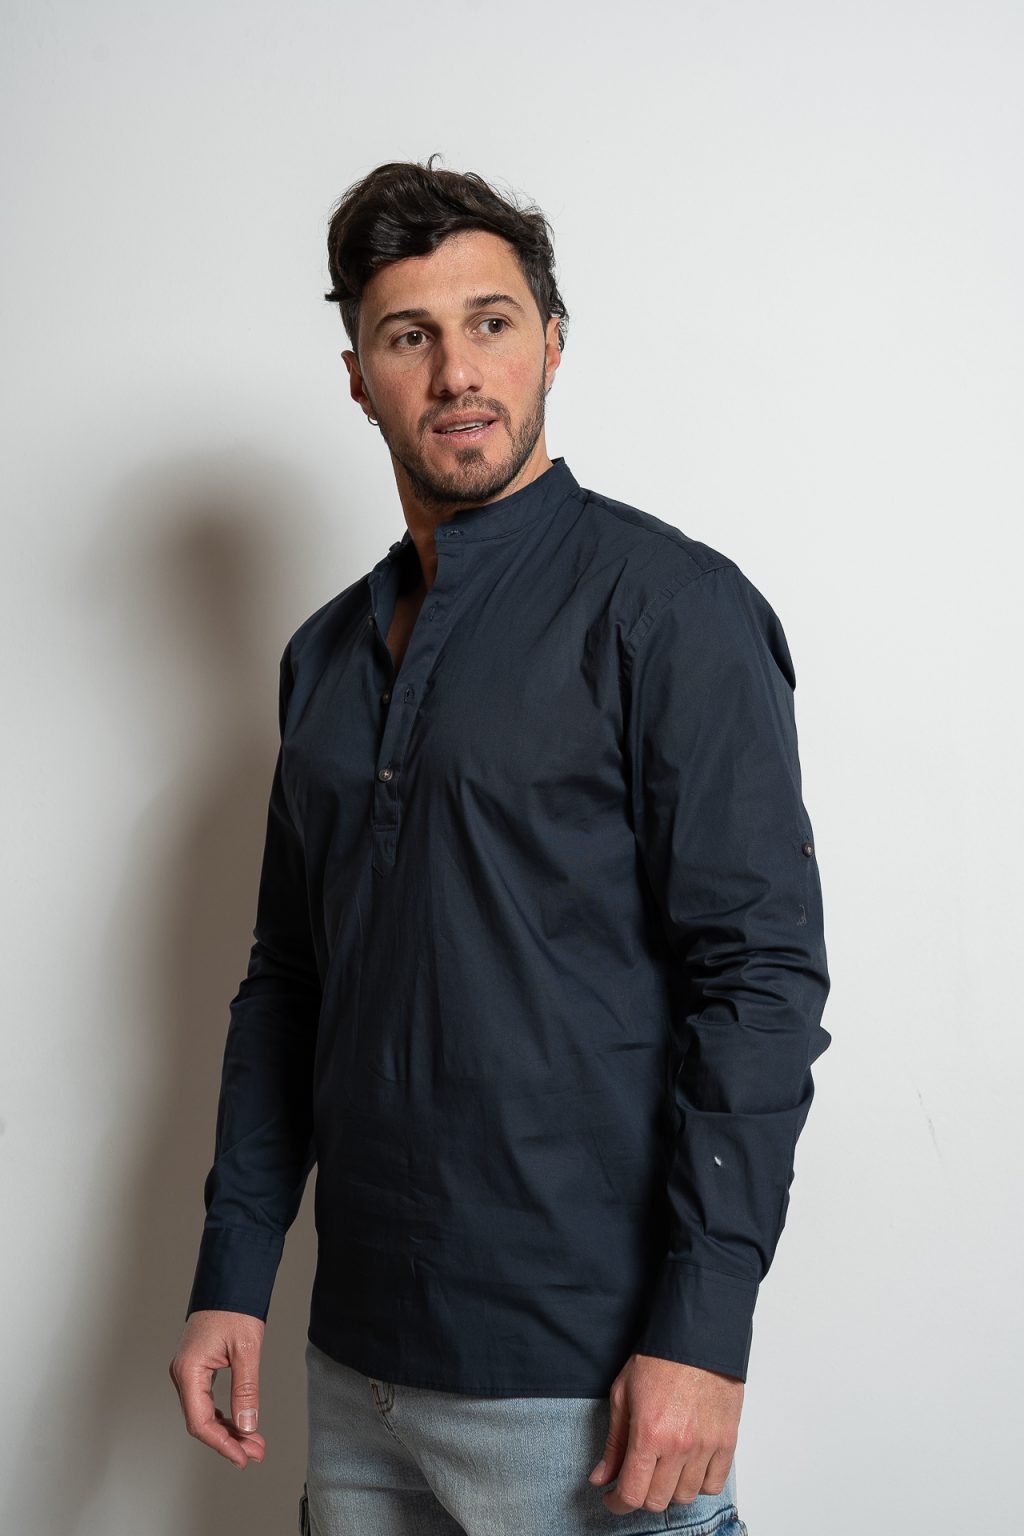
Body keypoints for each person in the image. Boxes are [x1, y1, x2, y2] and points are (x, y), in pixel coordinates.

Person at [168, 154, 831, 1535]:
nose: (458, 372)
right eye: (409, 336)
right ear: (360, 377)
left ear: (553, 343)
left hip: (585, 1384)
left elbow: (759, 980)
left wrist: (703, 1331)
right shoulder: (323, 658)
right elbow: (289, 982)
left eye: (492, 322)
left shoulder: (672, 612)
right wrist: (234, 1267)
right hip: (354, 1373)